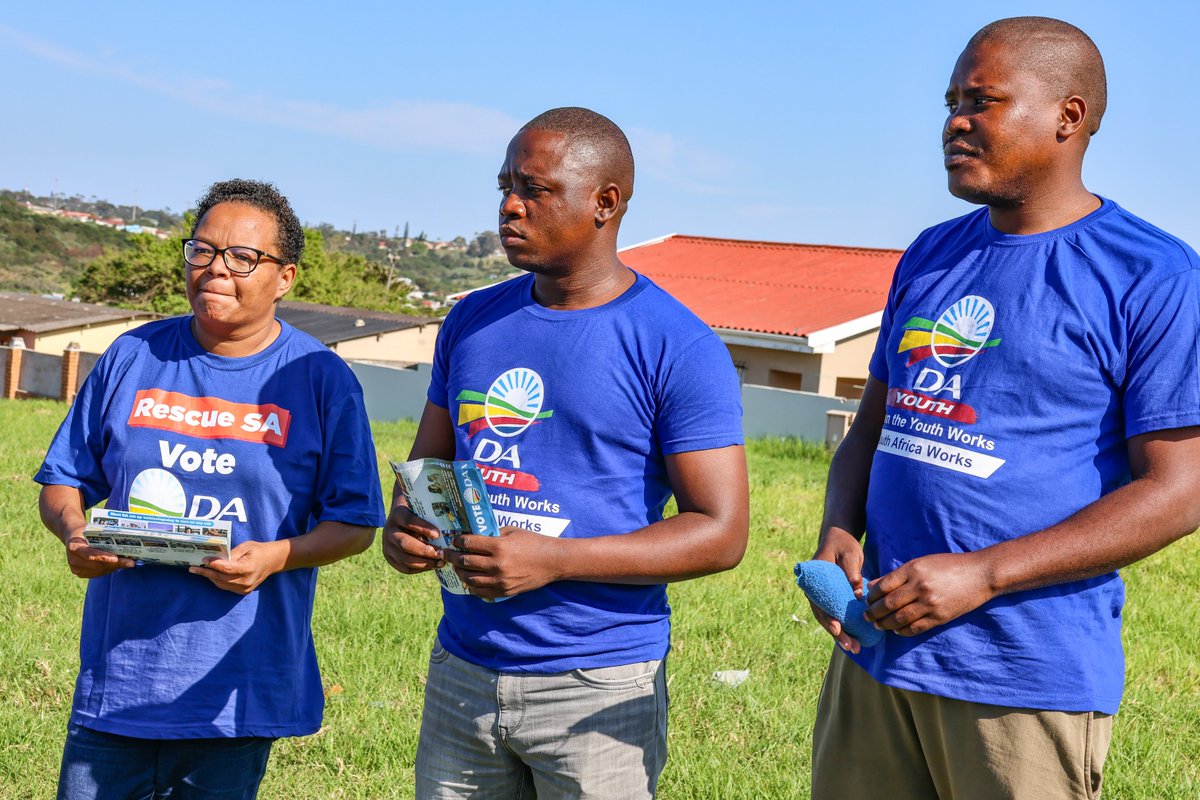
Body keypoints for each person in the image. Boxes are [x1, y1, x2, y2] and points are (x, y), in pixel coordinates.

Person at [807, 16, 1200, 799]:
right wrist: (837, 529)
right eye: (951, 100)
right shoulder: (931, 252)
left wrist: (983, 575)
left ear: (1068, 116)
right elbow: (875, 424)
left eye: (982, 101)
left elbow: (1179, 490)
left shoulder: (1153, 275)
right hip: (876, 655)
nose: (954, 120)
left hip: (1022, 673)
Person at [382, 107, 749, 799]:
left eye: (535, 189)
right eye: (504, 186)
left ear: (604, 203)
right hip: (464, 670)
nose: (509, 206)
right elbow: (428, 468)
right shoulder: (472, 319)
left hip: (596, 685)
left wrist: (554, 560)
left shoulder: (677, 345)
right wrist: (404, 528)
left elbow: (720, 533)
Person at [36, 179, 384, 799]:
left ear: (286, 277)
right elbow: (64, 477)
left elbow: (355, 523)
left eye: (243, 258)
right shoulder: (132, 354)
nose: (217, 268)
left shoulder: (321, 379)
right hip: (122, 680)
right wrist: (75, 531)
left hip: (236, 684)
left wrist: (276, 556)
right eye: (203, 250)